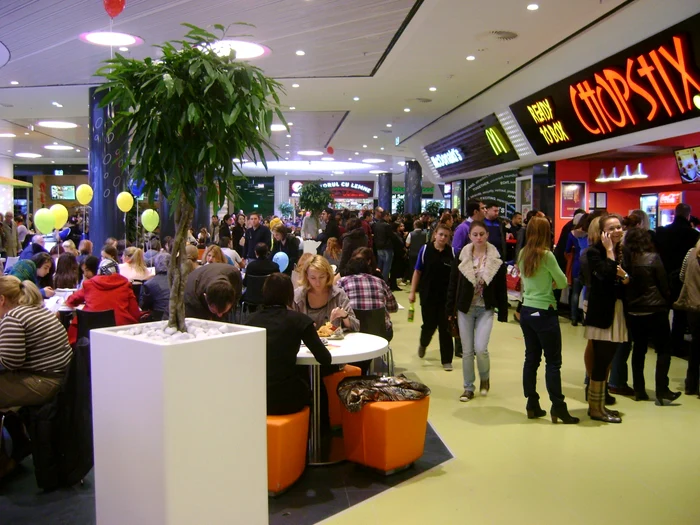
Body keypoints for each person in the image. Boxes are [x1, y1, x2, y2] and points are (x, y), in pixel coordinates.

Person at [516, 217, 578, 423]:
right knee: (553, 362)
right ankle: (558, 407)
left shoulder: (523, 253)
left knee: (531, 358)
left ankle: (532, 403)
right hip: (545, 311)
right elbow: (562, 282)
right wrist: (549, 285)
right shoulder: (547, 256)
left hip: (527, 310)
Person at [247, 273, 332, 415]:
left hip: (254, 395)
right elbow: (325, 358)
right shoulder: (300, 321)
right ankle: (320, 435)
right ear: (289, 295)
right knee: (317, 388)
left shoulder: (249, 321)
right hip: (285, 397)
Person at [446, 220, 508, 402]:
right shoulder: (461, 256)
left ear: (487, 235)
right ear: (470, 236)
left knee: (481, 349)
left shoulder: (496, 259)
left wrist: (503, 311)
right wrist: (449, 309)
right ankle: (468, 387)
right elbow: (452, 285)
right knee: (467, 351)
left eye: (482, 234)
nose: (479, 238)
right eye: (475, 235)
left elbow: (501, 288)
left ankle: (485, 378)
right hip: (465, 308)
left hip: (485, 309)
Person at [623, 228, 681, 404]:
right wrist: (667, 300)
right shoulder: (653, 257)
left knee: (638, 349)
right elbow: (663, 283)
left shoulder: (625, 260)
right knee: (663, 349)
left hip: (633, 310)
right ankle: (662, 390)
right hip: (655, 309)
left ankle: (639, 390)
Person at [584, 214, 630, 423]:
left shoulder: (623, 252)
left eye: (619, 227)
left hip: (617, 310)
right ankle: (595, 408)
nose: (617, 231)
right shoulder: (595, 253)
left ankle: (599, 405)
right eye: (611, 228)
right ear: (602, 233)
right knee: (601, 361)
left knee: (608, 359)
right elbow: (606, 275)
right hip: (602, 313)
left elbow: (626, 279)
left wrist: (625, 277)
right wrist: (610, 251)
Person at [0, 277, 72, 409]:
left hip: (44, 382)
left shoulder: (13, 317)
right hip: (59, 378)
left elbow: (10, 362)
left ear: (2, 299)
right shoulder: (37, 310)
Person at [408, 223, 455, 371]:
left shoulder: (452, 252)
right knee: (429, 325)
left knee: (445, 328)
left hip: (446, 298)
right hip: (427, 295)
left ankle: (447, 360)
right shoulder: (425, 250)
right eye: (441, 234)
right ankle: (423, 343)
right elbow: (417, 272)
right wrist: (412, 292)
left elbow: (456, 276)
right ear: (435, 234)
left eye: (446, 236)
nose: (443, 238)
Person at [655, 203, 700, 357]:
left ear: (675, 213)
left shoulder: (661, 232)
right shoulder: (693, 235)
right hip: (681, 278)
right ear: (688, 215)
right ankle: (676, 345)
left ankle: (661, 343)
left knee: (663, 312)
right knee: (680, 315)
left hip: (662, 277)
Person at [66, 258, 140, 342]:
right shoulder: (125, 285)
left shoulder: (89, 284)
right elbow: (135, 314)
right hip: (120, 334)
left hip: (91, 334)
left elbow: (71, 300)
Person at [293, 255, 359, 332]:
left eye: (322, 277)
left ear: (328, 275)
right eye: (313, 278)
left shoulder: (339, 294)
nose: (318, 283)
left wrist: (344, 316)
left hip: (334, 343)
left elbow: (356, 327)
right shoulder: (297, 296)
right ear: (306, 276)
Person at [337, 257, 398, 340]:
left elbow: (336, 306)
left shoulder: (342, 282)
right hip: (381, 333)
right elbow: (393, 307)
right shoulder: (380, 281)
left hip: (353, 332)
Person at [676, 239, 700, 395]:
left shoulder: (690, 253)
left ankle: (691, 385)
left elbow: (682, 276)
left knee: (696, 346)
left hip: (693, 305)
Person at [565, 213, 588, 326]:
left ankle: (573, 317)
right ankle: (585, 317)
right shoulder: (591, 234)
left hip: (577, 263)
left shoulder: (573, 234)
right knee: (586, 293)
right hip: (588, 265)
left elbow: (567, 249)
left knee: (575, 292)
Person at [372, 211, 394, 281]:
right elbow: (391, 236)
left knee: (379, 266)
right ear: (386, 216)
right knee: (386, 267)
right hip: (387, 248)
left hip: (378, 247)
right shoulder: (387, 225)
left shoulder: (376, 224)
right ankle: (384, 282)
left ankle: (378, 281)